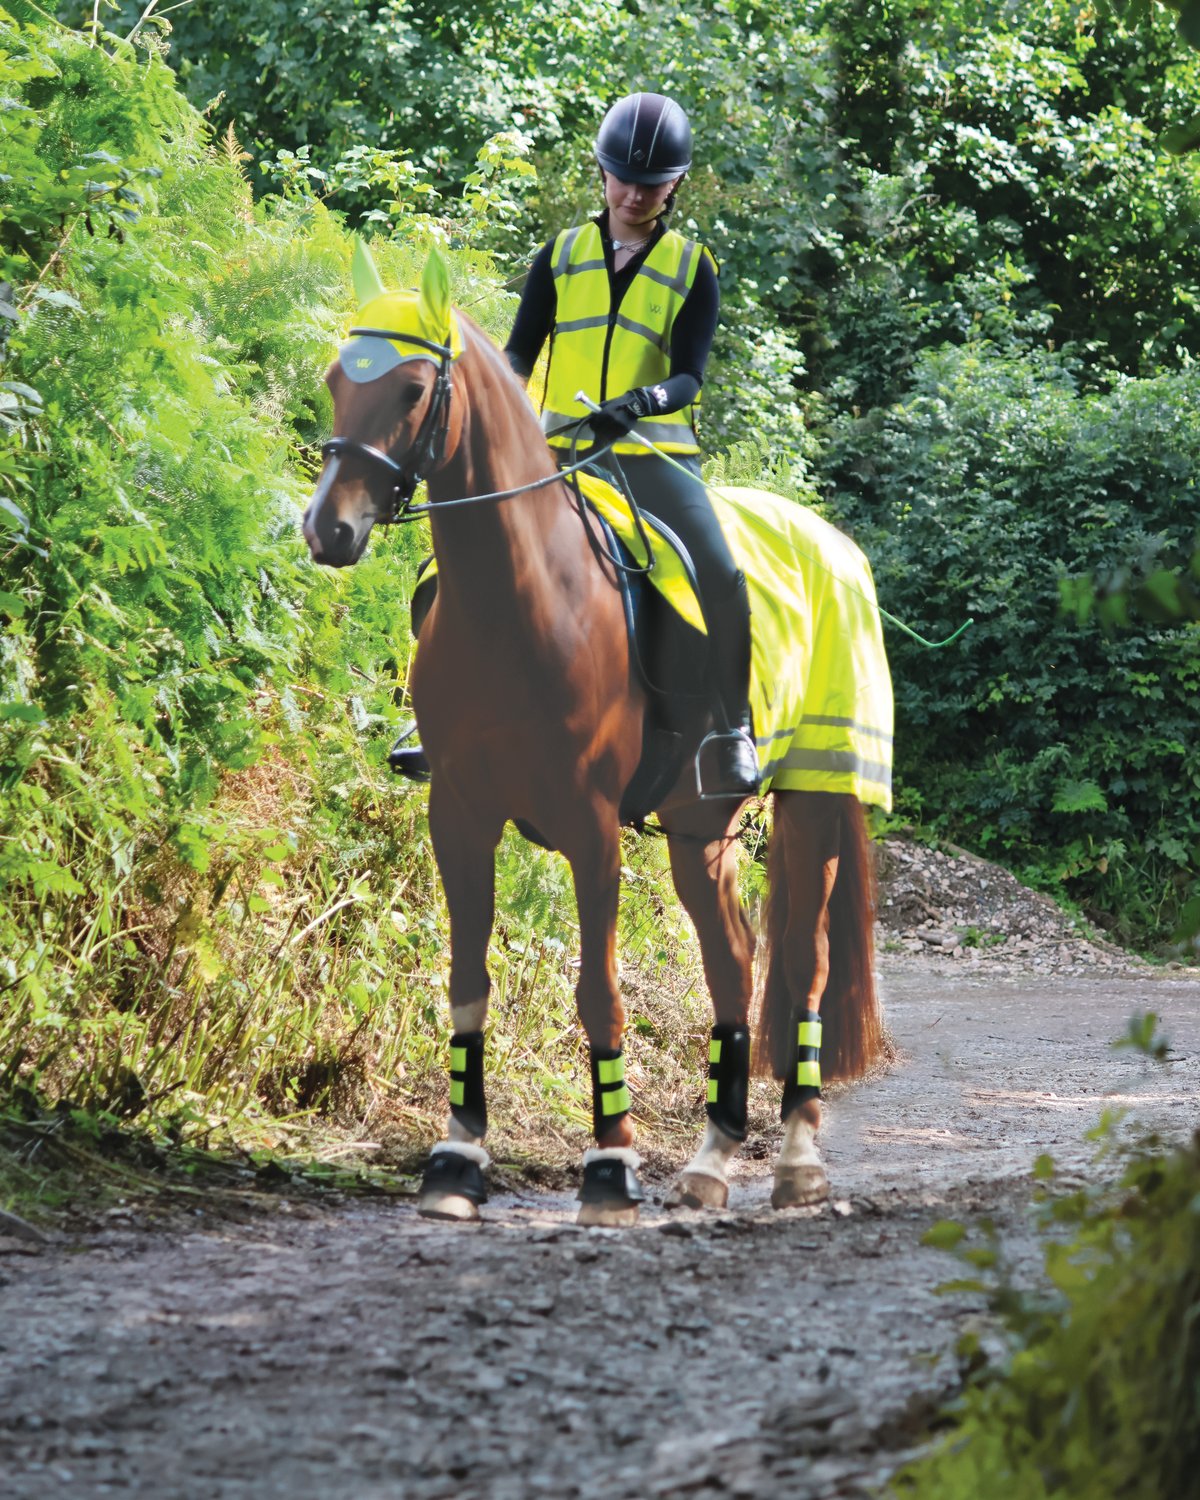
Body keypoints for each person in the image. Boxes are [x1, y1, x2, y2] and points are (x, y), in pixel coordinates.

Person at [390, 91, 759, 797]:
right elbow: (517, 360)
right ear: (601, 171)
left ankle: (732, 729)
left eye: (650, 184)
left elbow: (689, 377)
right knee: (451, 565)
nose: (632, 193)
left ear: (675, 185)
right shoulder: (558, 257)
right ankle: (434, 716)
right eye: (621, 176)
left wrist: (641, 404)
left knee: (721, 573)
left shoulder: (692, 267)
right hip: (556, 456)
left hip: (654, 460)